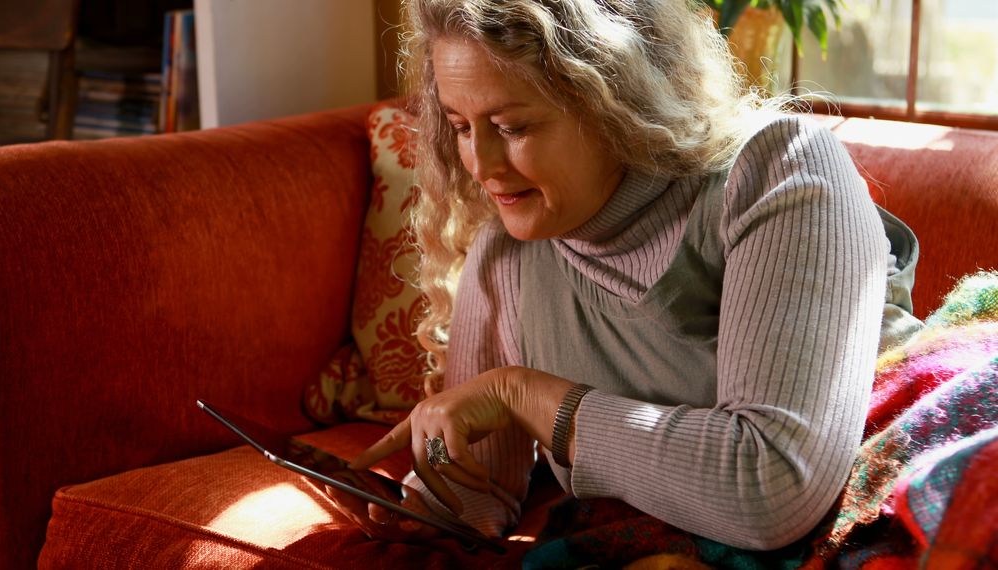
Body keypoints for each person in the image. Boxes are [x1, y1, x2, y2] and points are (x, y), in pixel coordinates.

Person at [332, 0, 922, 553]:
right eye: (461, 126)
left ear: (615, 102)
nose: (480, 165)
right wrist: (420, 510)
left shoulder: (781, 170)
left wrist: (523, 395)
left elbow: (772, 487)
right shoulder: (511, 249)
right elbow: (480, 492)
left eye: (512, 128)